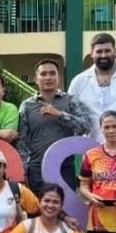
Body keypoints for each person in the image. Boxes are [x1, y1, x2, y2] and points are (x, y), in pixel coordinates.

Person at [17, 59, 91, 190]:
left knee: (67, 209)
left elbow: (85, 126)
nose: (48, 77)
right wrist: (22, 168)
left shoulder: (70, 100)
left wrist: (60, 114)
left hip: (64, 167)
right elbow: (21, 140)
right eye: (43, 74)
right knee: (37, 209)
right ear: (36, 79)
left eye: (52, 73)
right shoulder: (27, 105)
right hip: (37, 168)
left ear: (58, 78)